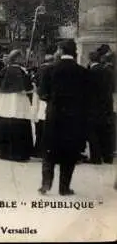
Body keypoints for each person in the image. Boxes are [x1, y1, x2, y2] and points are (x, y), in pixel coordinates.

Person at [38, 40, 89, 196]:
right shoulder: (83, 72)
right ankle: (64, 188)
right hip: (74, 118)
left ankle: (46, 184)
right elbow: (89, 97)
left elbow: (42, 94)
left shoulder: (50, 70)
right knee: (70, 152)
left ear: (60, 50)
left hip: (54, 115)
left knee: (49, 150)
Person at [0, 50, 34, 162]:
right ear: (17, 58)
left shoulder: (4, 70)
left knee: (5, 125)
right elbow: (28, 88)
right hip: (18, 102)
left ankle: (4, 152)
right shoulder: (21, 71)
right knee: (19, 126)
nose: (23, 59)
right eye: (21, 57)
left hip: (5, 103)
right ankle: (18, 154)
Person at [87, 50, 115, 164]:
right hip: (107, 104)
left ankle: (96, 157)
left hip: (94, 106)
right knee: (105, 131)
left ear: (90, 60)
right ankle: (108, 156)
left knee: (93, 132)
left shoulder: (91, 72)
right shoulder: (108, 71)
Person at [32, 48, 57, 158]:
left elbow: (35, 83)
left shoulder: (40, 70)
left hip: (39, 98)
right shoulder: (53, 69)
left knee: (39, 125)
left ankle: (38, 149)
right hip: (49, 100)